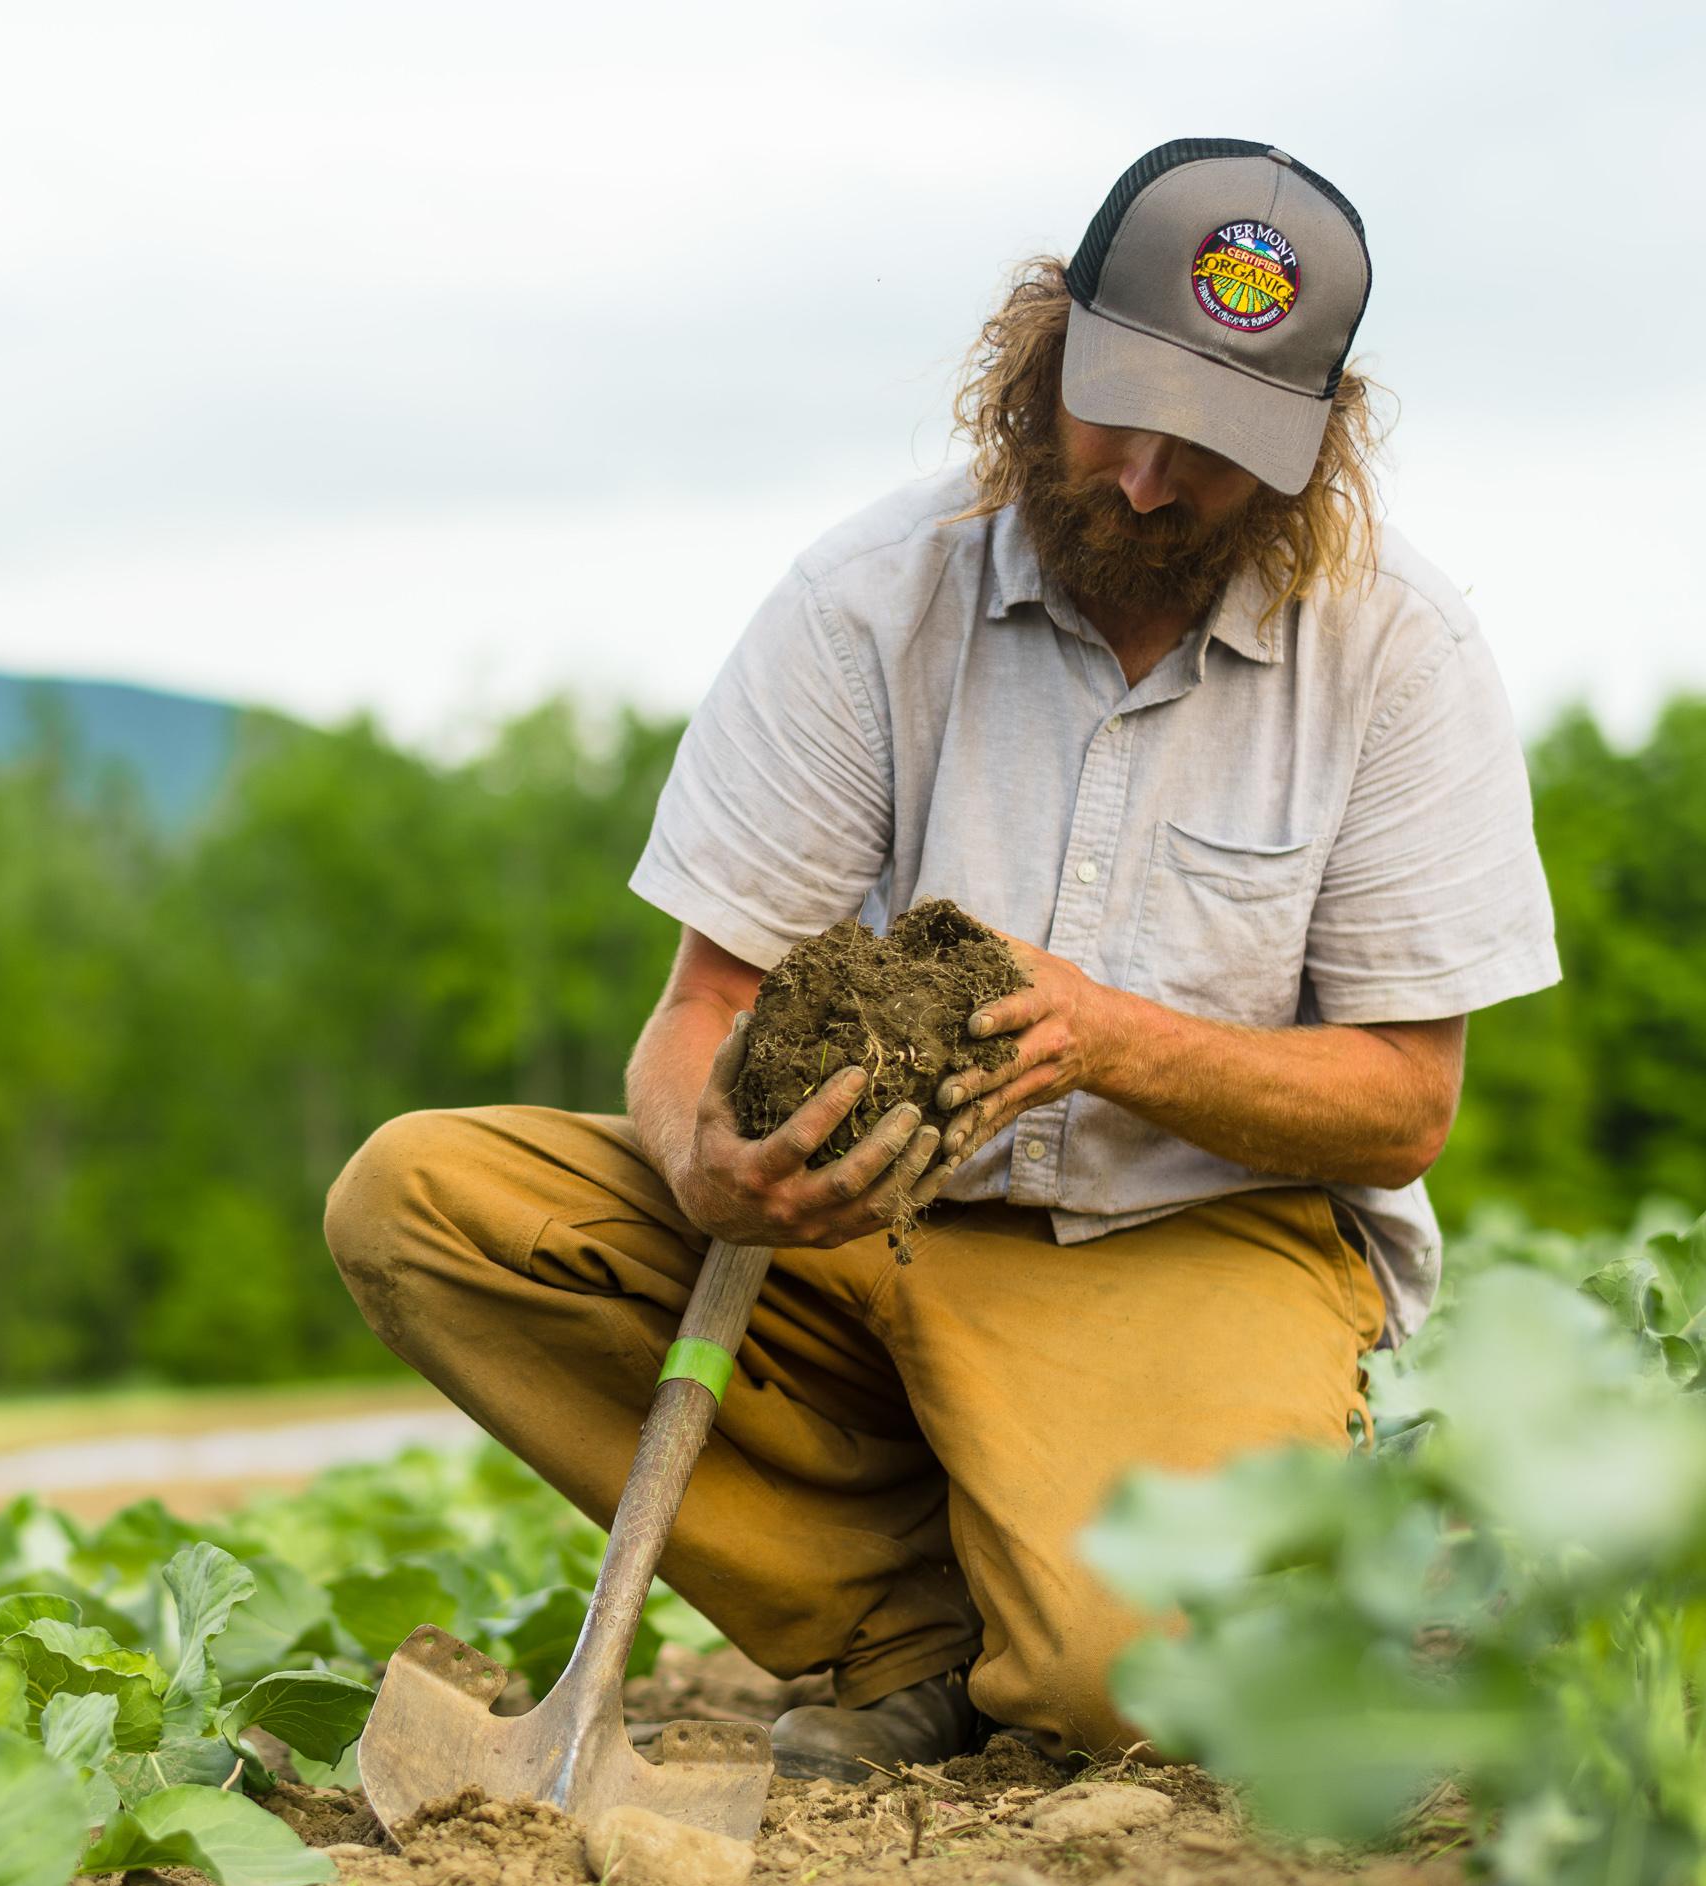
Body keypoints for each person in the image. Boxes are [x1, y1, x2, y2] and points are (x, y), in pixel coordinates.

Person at [325, 139, 1559, 1780]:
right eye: (1117, 407)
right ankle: (907, 1626)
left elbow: (1403, 1109)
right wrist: (711, 1163)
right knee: (422, 1202)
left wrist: (1109, 1037)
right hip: (864, 1230)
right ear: (1040, 344)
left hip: (1191, 1239)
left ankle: (1164, 1582)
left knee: (1136, 1691)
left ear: (1317, 445)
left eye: (1216, 447)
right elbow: (706, 1009)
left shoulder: (1399, 648)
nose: (1144, 478)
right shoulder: (867, 602)